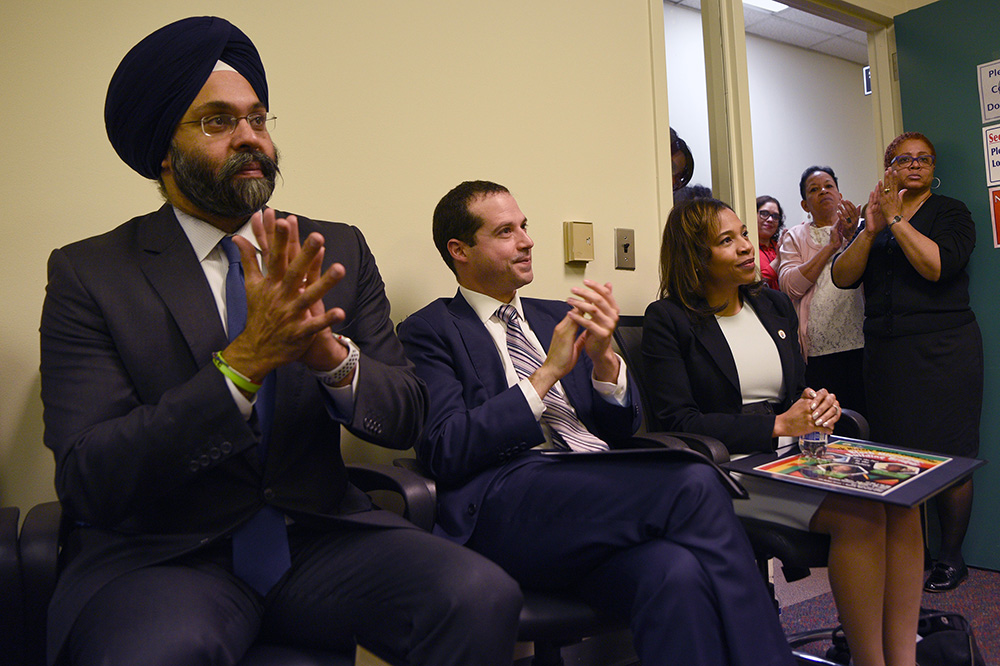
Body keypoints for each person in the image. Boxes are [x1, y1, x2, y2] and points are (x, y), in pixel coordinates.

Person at [38, 17, 521, 666]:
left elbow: (407, 414)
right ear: (162, 149)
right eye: (217, 121)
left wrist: (332, 360)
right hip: (168, 553)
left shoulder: (335, 246)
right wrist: (242, 367)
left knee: (480, 593)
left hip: (317, 539)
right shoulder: (92, 273)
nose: (249, 138)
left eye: (258, 118)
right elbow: (90, 477)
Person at [396, 180, 797, 666]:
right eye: (505, 232)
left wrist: (606, 360)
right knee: (692, 480)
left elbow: (617, 427)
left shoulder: (554, 316)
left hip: (591, 487)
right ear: (459, 250)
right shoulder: (430, 330)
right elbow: (446, 447)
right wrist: (546, 375)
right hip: (506, 503)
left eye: (524, 226)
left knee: (674, 573)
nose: (526, 241)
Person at [643, 197, 924, 666]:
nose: (745, 248)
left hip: (797, 455)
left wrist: (819, 405)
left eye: (744, 235)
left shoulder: (772, 304)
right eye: (726, 241)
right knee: (861, 516)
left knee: (904, 500)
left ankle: (902, 660)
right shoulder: (668, 321)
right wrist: (775, 425)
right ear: (695, 255)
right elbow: (680, 423)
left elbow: (795, 390)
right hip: (726, 470)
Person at [832, 132, 983, 593]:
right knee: (895, 455)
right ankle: (907, 551)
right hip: (887, 355)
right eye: (904, 159)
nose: (915, 165)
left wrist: (895, 219)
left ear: (933, 168)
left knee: (952, 453)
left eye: (924, 159)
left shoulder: (952, 212)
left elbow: (936, 266)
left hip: (945, 351)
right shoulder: (873, 219)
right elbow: (842, 276)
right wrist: (871, 229)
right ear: (888, 167)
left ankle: (951, 558)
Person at [778, 166, 867, 416]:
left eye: (829, 186)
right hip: (816, 352)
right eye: (814, 189)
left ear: (840, 195)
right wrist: (831, 246)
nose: (823, 192)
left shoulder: (863, 229)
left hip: (862, 344)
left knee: (865, 418)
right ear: (805, 205)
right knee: (825, 421)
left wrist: (851, 238)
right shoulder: (794, 236)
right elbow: (790, 287)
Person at [756, 195, 784, 289]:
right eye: (764, 213)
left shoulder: (780, 247)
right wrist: (778, 260)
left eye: (775, 216)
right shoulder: (747, 248)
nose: (770, 220)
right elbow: (755, 284)